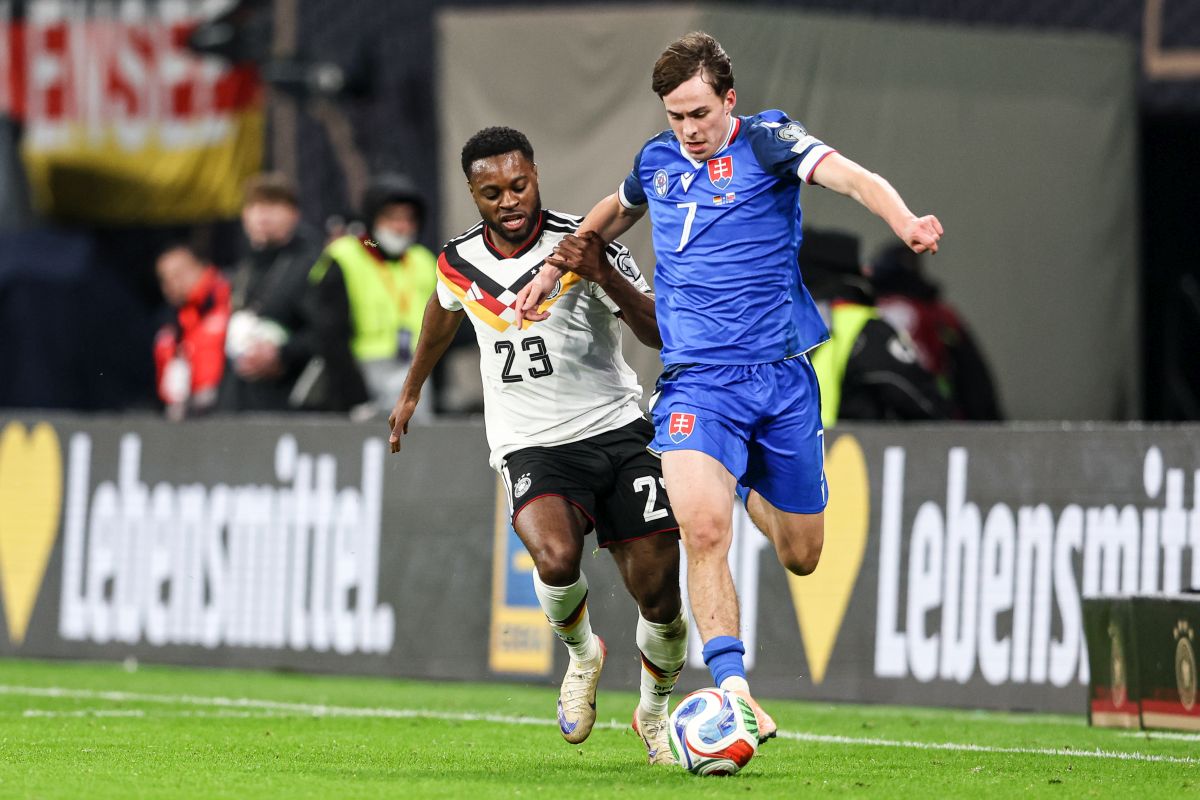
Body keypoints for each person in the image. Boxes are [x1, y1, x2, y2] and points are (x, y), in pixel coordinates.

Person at [517, 31, 943, 739]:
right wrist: (552, 269)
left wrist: (903, 220)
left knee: (802, 554)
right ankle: (735, 693)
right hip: (696, 383)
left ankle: (741, 479)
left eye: (700, 114)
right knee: (703, 530)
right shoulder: (656, 161)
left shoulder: (770, 142)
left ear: (729, 100)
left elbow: (853, 177)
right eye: (676, 116)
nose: (688, 129)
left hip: (780, 379)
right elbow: (608, 215)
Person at [388, 127, 686, 765]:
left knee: (661, 597)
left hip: (618, 430)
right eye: (492, 192)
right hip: (530, 444)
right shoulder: (457, 261)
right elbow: (441, 313)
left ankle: (654, 713)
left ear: (536, 175)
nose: (509, 201)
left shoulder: (585, 242)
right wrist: (412, 389)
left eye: (518, 185)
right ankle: (583, 655)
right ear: (473, 194)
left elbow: (659, 331)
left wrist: (600, 270)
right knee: (554, 558)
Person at [309, 174, 439, 418]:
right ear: (372, 219)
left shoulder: (422, 260)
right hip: (360, 377)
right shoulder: (344, 255)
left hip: (414, 375)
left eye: (408, 219)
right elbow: (330, 335)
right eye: (391, 217)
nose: (401, 227)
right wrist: (355, 396)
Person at [799, 229, 951, 425]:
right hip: (852, 443)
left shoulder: (769, 327)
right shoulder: (862, 326)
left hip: (789, 444)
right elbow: (926, 404)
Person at [218, 172, 324, 413]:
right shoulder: (244, 266)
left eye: (273, 205)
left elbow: (328, 332)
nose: (262, 215)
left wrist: (282, 354)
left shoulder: (313, 263)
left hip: (289, 402)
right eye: (254, 206)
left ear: (294, 213)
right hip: (238, 400)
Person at [869, 243, 1003, 420]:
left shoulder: (868, 313)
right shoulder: (940, 315)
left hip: (881, 418)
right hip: (938, 415)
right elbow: (974, 378)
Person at [152, 244, 232, 421]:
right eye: (166, 279)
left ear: (202, 267)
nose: (174, 283)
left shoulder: (230, 299)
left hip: (226, 410)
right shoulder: (170, 323)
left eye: (180, 273)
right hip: (184, 413)